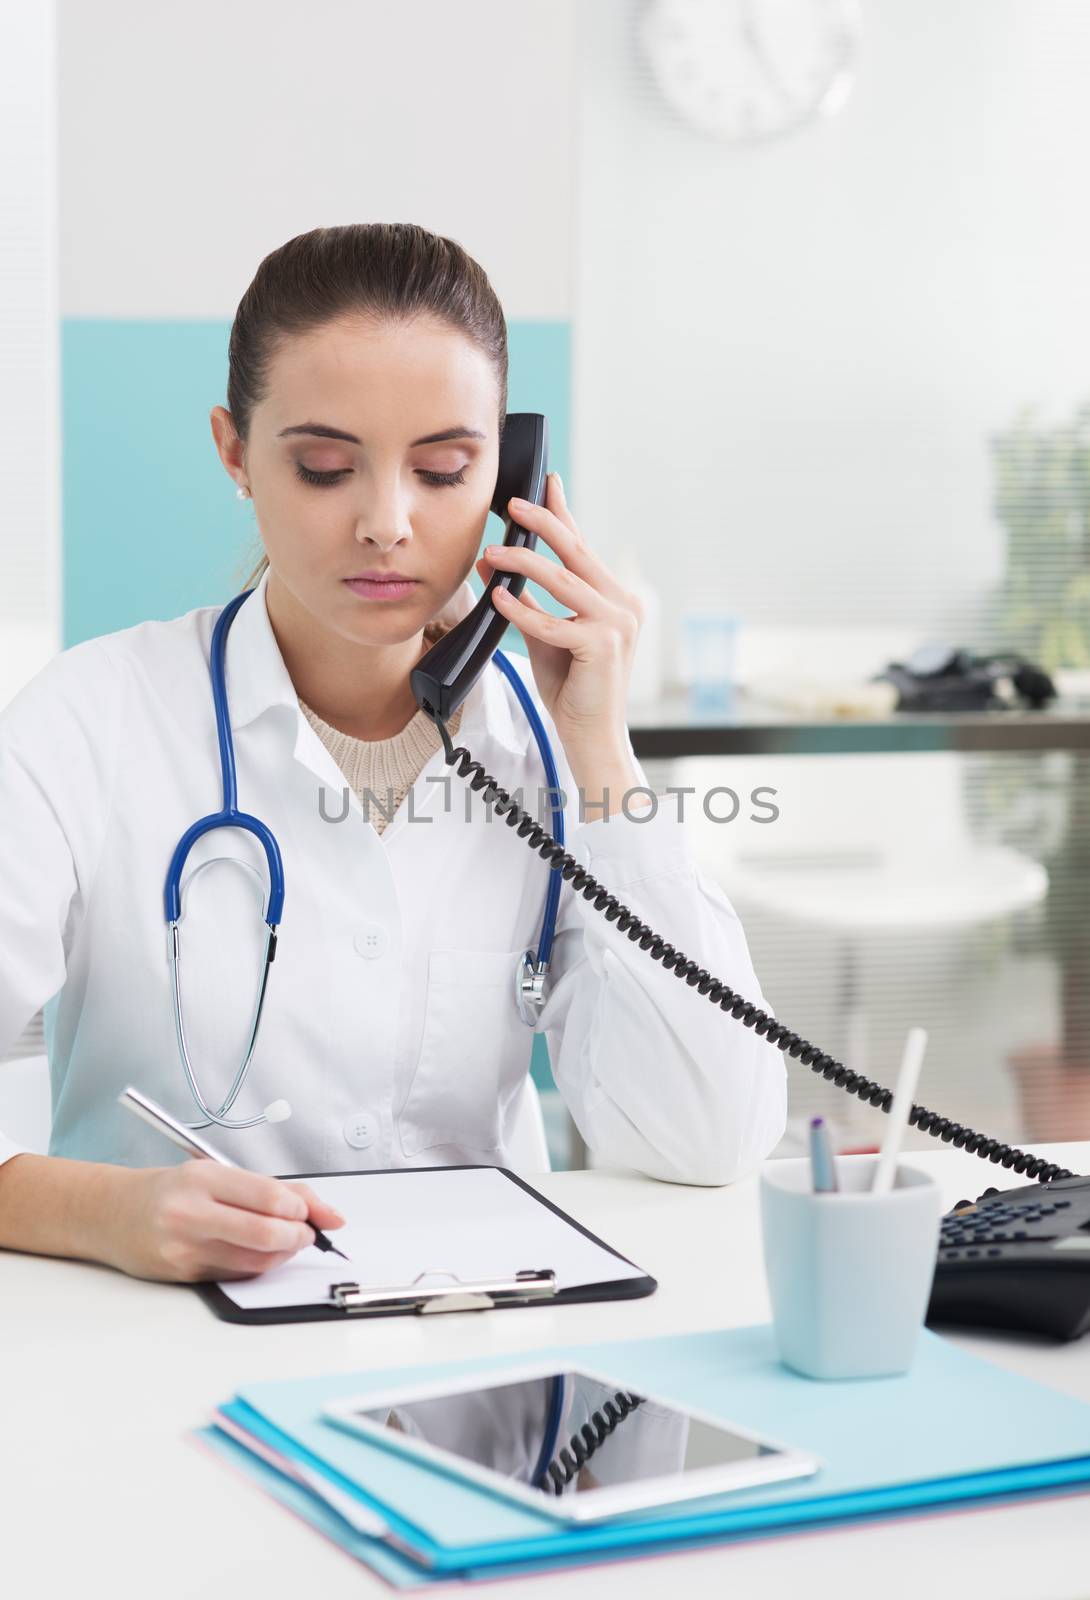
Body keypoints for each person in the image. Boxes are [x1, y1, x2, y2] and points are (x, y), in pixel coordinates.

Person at [0, 222, 786, 1285]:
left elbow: (710, 1138)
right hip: (169, 1371)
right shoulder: (91, 721)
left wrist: (602, 754)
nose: (385, 522)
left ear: (509, 473)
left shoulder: (544, 750)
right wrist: (104, 1210)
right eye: (325, 467)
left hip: (489, 1370)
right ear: (233, 452)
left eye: (444, 468)